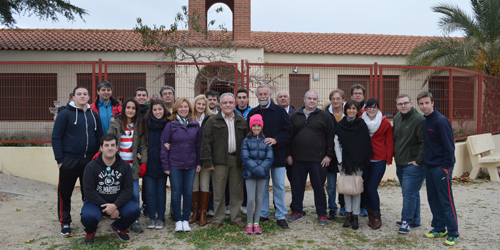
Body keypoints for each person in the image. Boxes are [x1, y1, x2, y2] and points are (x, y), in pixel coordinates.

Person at [52, 85, 102, 236]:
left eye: (85, 94)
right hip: (69, 161)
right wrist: (60, 160)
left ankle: (89, 221)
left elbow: (100, 137)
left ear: (89, 97)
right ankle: (65, 222)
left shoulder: (94, 115)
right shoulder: (64, 114)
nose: (82, 96)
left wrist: (98, 158)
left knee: (89, 193)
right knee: (65, 193)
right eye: (79, 94)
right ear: (73, 97)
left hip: (89, 161)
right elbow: (56, 137)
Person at [80, 134, 141, 245]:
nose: (110, 148)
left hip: (117, 202)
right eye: (106, 145)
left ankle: (118, 227)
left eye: (113, 145)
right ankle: (90, 231)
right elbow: (88, 191)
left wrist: (116, 205)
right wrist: (107, 206)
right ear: (101, 148)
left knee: (135, 210)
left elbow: (128, 189)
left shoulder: (125, 166)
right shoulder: (91, 166)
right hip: (96, 203)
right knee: (88, 216)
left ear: (117, 147)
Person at [248, 85, 293, 229]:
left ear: (270, 94)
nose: (262, 96)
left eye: (265, 94)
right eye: (260, 94)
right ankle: (264, 213)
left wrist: (276, 140)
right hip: (259, 158)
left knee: (279, 186)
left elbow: (288, 131)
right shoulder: (253, 112)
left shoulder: (280, 111)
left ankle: (280, 215)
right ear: (256, 95)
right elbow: (248, 135)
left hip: (278, 155)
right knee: (262, 187)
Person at [417, 91, 460, 246]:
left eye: (426, 103)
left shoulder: (440, 121)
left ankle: (453, 232)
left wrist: (447, 167)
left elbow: (450, 146)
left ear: (433, 102)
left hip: (441, 167)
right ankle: (439, 228)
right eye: (421, 103)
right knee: (433, 198)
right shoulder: (426, 120)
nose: (424, 106)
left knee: (446, 200)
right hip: (429, 166)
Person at [200, 93, 249, 228]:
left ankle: (236, 218)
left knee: (237, 190)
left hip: (237, 161)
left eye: (231, 102)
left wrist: (246, 160)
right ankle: (218, 218)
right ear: (220, 105)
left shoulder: (241, 121)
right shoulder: (212, 121)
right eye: (225, 103)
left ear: (235, 104)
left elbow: (247, 142)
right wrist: (208, 162)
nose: (228, 105)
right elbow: (206, 143)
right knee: (219, 191)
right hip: (219, 161)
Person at [287, 90, 334, 226]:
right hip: (297, 159)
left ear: (317, 101)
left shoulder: (325, 116)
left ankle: (321, 213)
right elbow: (288, 136)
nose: (311, 101)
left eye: (314, 99)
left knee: (319, 187)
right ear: (304, 99)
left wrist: (329, 155)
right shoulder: (295, 116)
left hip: (318, 160)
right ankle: (296, 211)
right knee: (297, 186)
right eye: (309, 98)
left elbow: (331, 136)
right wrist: (288, 154)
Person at [161, 98, 202, 232]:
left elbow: (198, 146)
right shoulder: (171, 125)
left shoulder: (195, 125)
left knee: (188, 192)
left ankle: (186, 219)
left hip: (190, 164)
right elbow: (164, 146)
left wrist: (198, 162)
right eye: (181, 107)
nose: (183, 109)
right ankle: (178, 220)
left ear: (189, 109)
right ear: (176, 109)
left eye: (186, 107)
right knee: (176, 192)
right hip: (175, 164)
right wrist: (166, 166)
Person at [107, 98, 148, 234]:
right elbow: (109, 142)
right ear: (124, 109)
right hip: (118, 166)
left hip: (133, 166)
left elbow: (143, 146)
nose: (130, 110)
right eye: (128, 107)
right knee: (121, 194)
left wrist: (144, 162)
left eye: (133, 108)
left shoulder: (139, 125)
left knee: (135, 194)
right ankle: (124, 219)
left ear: (136, 111)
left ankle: (135, 220)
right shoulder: (116, 125)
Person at [334, 100, 372, 230]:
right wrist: (341, 161)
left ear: (357, 111)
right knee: (346, 189)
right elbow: (337, 144)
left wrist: (358, 161)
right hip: (343, 163)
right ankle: (348, 215)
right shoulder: (340, 125)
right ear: (346, 110)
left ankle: (355, 216)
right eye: (349, 108)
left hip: (358, 164)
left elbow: (364, 144)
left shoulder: (361, 124)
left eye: (354, 108)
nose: (351, 111)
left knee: (356, 190)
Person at [393, 93, 425, 234]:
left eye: (405, 103)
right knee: (412, 193)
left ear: (411, 104)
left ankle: (406, 222)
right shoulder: (397, 117)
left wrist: (419, 161)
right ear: (397, 106)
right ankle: (415, 219)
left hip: (413, 164)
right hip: (400, 162)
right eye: (400, 104)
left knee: (408, 194)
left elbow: (425, 142)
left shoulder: (419, 120)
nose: (403, 106)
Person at [361, 98, 393, 229]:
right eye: (369, 107)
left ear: (378, 108)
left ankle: (377, 217)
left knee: (371, 188)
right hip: (365, 159)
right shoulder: (360, 120)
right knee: (366, 188)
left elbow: (389, 140)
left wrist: (389, 158)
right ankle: (370, 215)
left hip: (379, 158)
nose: (372, 110)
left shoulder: (384, 122)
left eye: (374, 107)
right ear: (366, 108)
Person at [241, 114, 274, 234]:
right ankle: (249, 223)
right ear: (250, 127)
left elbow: (269, 158)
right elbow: (245, 157)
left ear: (261, 127)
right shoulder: (246, 140)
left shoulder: (266, 141)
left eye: (258, 125)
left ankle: (256, 223)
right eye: (254, 125)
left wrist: (261, 170)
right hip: (249, 174)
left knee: (259, 199)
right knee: (250, 199)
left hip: (262, 175)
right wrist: (257, 169)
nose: (256, 128)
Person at [143, 99, 170, 230]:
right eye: (155, 110)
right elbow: (140, 140)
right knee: (149, 193)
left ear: (164, 110)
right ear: (151, 111)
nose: (157, 112)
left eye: (160, 109)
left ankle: (160, 218)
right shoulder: (146, 123)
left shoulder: (168, 124)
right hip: (148, 163)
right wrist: (139, 152)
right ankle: (152, 218)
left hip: (162, 164)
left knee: (161, 191)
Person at [189, 95, 215, 227]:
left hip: (206, 157)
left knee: (205, 185)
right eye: (198, 104)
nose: (201, 106)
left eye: (203, 104)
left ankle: (203, 213)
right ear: (194, 105)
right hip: (191, 158)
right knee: (194, 185)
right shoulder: (188, 118)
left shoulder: (211, 118)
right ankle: (195, 212)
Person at [324, 89, 345, 220]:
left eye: (338, 98)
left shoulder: (349, 112)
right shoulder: (325, 114)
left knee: (344, 183)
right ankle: (332, 208)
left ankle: (344, 206)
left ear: (343, 99)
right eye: (333, 98)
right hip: (330, 154)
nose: (336, 101)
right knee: (331, 185)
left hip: (345, 155)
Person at [350, 83, 368, 217]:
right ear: (351, 95)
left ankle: (363, 206)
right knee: (347, 181)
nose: (357, 95)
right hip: (349, 154)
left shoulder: (370, 109)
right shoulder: (348, 108)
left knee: (363, 181)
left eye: (360, 93)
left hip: (364, 152)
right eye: (355, 93)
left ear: (363, 96)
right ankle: (345, 207)